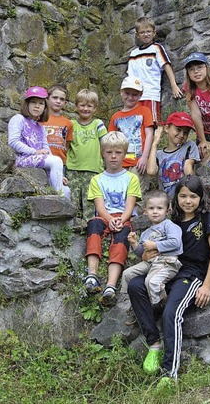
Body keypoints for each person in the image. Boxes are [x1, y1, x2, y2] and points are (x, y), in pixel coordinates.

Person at [128, 175, 210, 384]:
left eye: (192, 196)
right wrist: (144, 254)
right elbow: (154, 251)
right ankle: (154, 344)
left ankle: (169, 374)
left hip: (192, 275)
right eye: (182, 196)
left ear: (200, 198)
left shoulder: (207, 218)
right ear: (176, 198)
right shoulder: (171, 222)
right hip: (169, 270)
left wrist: (207, 286)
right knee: (135, 285)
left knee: (172, 312)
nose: (187, 201)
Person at [84, 131, 142, 307]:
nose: (114, 156)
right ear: (103, 153)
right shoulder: (97, 180)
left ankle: (110, 285)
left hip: (123, 217)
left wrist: (121, 220)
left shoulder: (131, 178)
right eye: (109, 152)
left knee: (122, 236)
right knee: (93, 225)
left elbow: (130, 206)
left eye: (118, 152)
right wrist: (109, 219)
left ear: (124, 154)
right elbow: (100, 207)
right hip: (104, 217)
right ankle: (92, 275)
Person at [7, 86, 71, 200]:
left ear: (45, 107)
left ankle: (62, 207)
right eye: (33, 102)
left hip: (38, 159)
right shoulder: (18, 119)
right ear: (27, 104)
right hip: (22, 159)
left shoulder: (40, 127)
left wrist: (59, 174)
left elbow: (46, 149)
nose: (37, 106)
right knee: (56, 161)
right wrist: (35, 151)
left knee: (67, 190)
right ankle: (59, 199)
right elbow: (13, 142)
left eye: (41, 103)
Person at [121, 190, 183, 306]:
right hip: (150, 263)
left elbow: (175, 243)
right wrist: (134, 243)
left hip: (166, 262)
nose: (155, 212)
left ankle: (161, 304)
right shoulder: (145, 233)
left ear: (167, 211)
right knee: (127, 274)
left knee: (151, 281)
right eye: (151, 208)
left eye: (159, 208)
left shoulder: (170, 226)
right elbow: (142, 254)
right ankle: (130, 301)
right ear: (145, 212)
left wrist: (155, 245)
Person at [126, 16, 182, 124]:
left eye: (148, 31)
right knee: (137, 124)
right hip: (135, 96)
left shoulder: (156, 48)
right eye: (142, 32)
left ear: (154, 32)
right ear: (137, 35)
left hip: (150, 94)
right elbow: (130, 76)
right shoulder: (133, 54)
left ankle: (154, 141)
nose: (146, 34)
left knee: (152, 123)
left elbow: (166, 66)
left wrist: (174, 86)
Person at [67, 89, 108, 221]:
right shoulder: (71, 124)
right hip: (73, 168)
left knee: (89, 202)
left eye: (89, 106)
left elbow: (106, 144)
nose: (85, 109)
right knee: (72, 201)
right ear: (76, 106)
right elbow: (66, 146)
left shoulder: (98, 124)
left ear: (95, 108)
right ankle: (71, 229)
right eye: (82, 105)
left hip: (93, 169)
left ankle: (90, 230)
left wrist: (106, 166)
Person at [147, 112, 200, 199]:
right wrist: (154, 144)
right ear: (167, 128)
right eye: (178, 130)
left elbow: (188, 170)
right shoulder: (158, 154)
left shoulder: (189, 146)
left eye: (186, 133)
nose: (182, 135)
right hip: (165, 200)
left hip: (183, 198)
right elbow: (151, 171)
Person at [108, 76, 155, 175]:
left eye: (134, 95)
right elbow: (111, 141)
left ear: (140, 95)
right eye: (127, 93)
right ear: (121, 92)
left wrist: (145, 157)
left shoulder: (144, 111)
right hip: (119, 163)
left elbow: (149, 134)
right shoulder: (115, 117)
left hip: (138, 163)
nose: (130, 97)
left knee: (136, 190)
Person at [41, 85, 73, 165]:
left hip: (60, 162)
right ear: (47, 99)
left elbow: (67, 145)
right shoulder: (40, 119)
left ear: (65, 103)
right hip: (42, 159)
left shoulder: (68, 123)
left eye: (62, 99)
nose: (58, 101)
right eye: (55, 98)